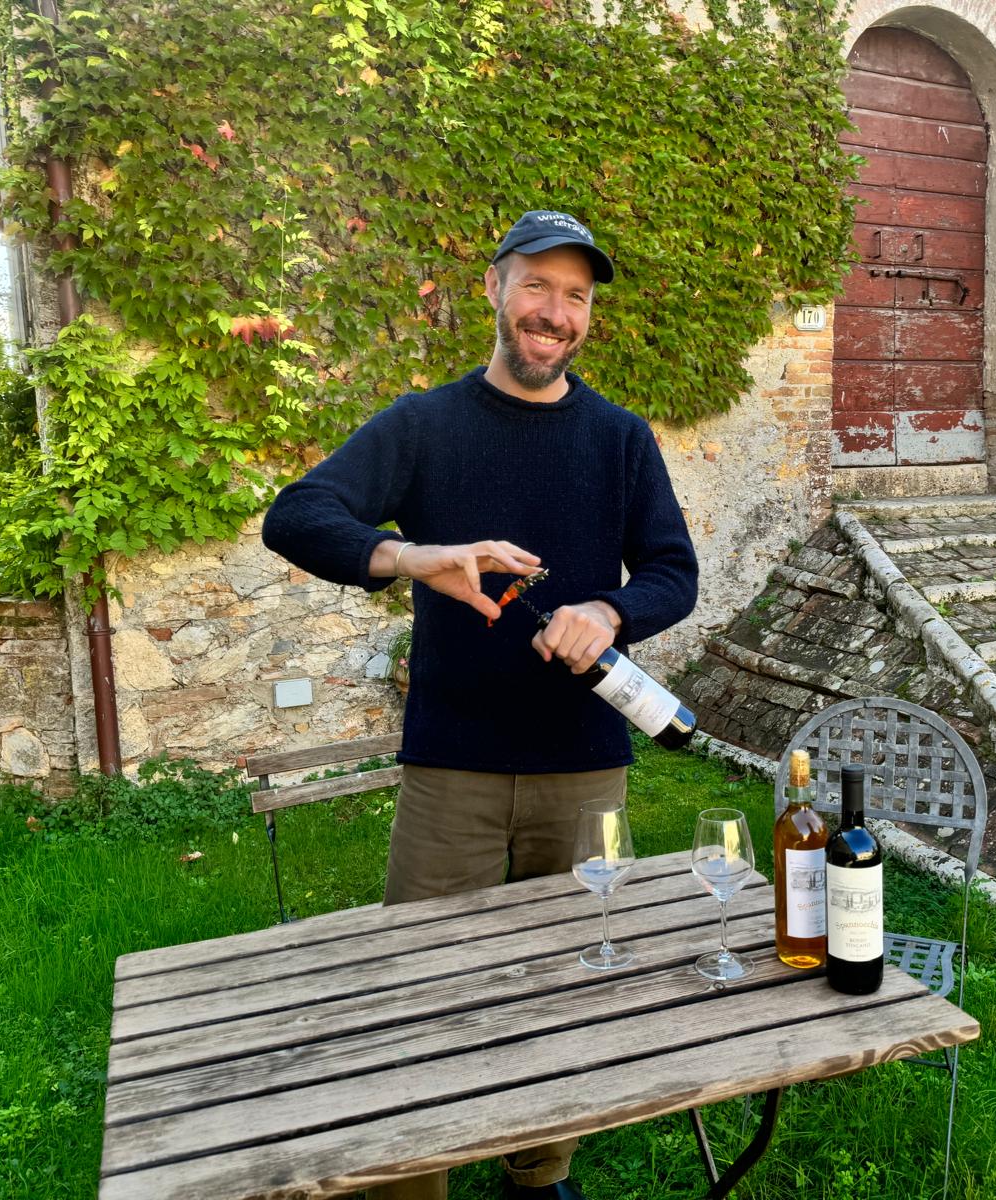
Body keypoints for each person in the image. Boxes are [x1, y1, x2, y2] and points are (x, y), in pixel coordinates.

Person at [260, 210, 699, 1200]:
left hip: (583, 764)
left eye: (576, 296)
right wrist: (413, 556)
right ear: (495, 290)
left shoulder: (620, 440)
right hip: (451, 766)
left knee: (570, 978)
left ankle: (538, 1173)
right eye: (538, 286)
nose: (555, 312)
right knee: (420, 993)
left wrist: (608, 609)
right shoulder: (423, 427)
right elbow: (297, 516)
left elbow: (675, 571)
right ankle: (414, 1178)